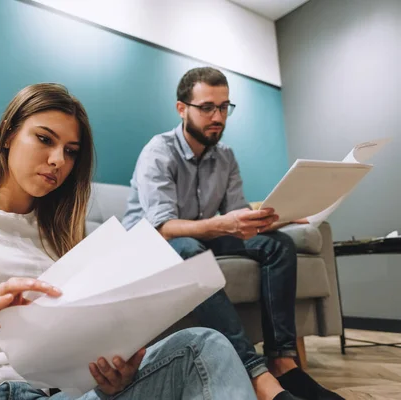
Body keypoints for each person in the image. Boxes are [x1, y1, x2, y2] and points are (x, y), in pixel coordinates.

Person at [0, 83, 256, 400]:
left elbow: (70, 365)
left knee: (202, 347)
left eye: (70, 152)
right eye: (44, 139)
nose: (57, 161)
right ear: (9, 134)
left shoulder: (62, 237)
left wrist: (109, 378)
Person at [122, 67, 345, 400]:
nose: (218, 116)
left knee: (278, 245)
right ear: (182, 108)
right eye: (208, 107)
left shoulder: (225, 156)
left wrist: (287, 215)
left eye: (225, 107)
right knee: (187, 249)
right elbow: (164, 227)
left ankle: (283, 361)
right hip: (155, 244)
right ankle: (255, 374)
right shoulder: (159, 152)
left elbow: (238, 216)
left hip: (201, 235)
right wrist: (224, 224)